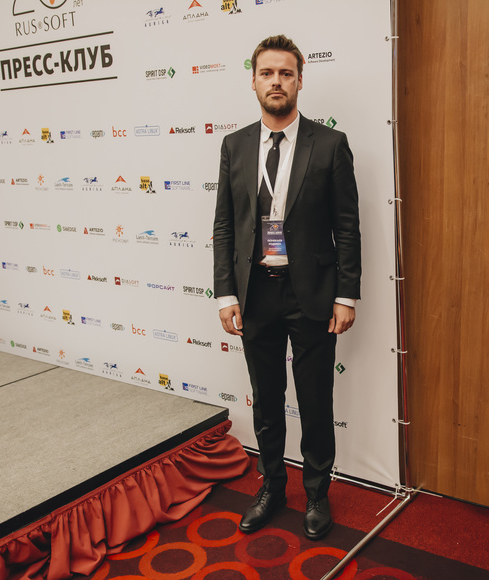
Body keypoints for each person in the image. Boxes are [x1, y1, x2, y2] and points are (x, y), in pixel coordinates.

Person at [212, 34, 361, 540]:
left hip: (312, 293)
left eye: (285, 73)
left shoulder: (330, 144)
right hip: (255, 292)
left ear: (299, 80)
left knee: (315, 400)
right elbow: (225, 225)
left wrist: (346, 294)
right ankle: (272, 487)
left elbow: (347, 226)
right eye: (267, 73)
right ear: (253, 80)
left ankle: (317, 493)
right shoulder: (234, 146)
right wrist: (226, 293)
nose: (276, 81)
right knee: (267, 399)